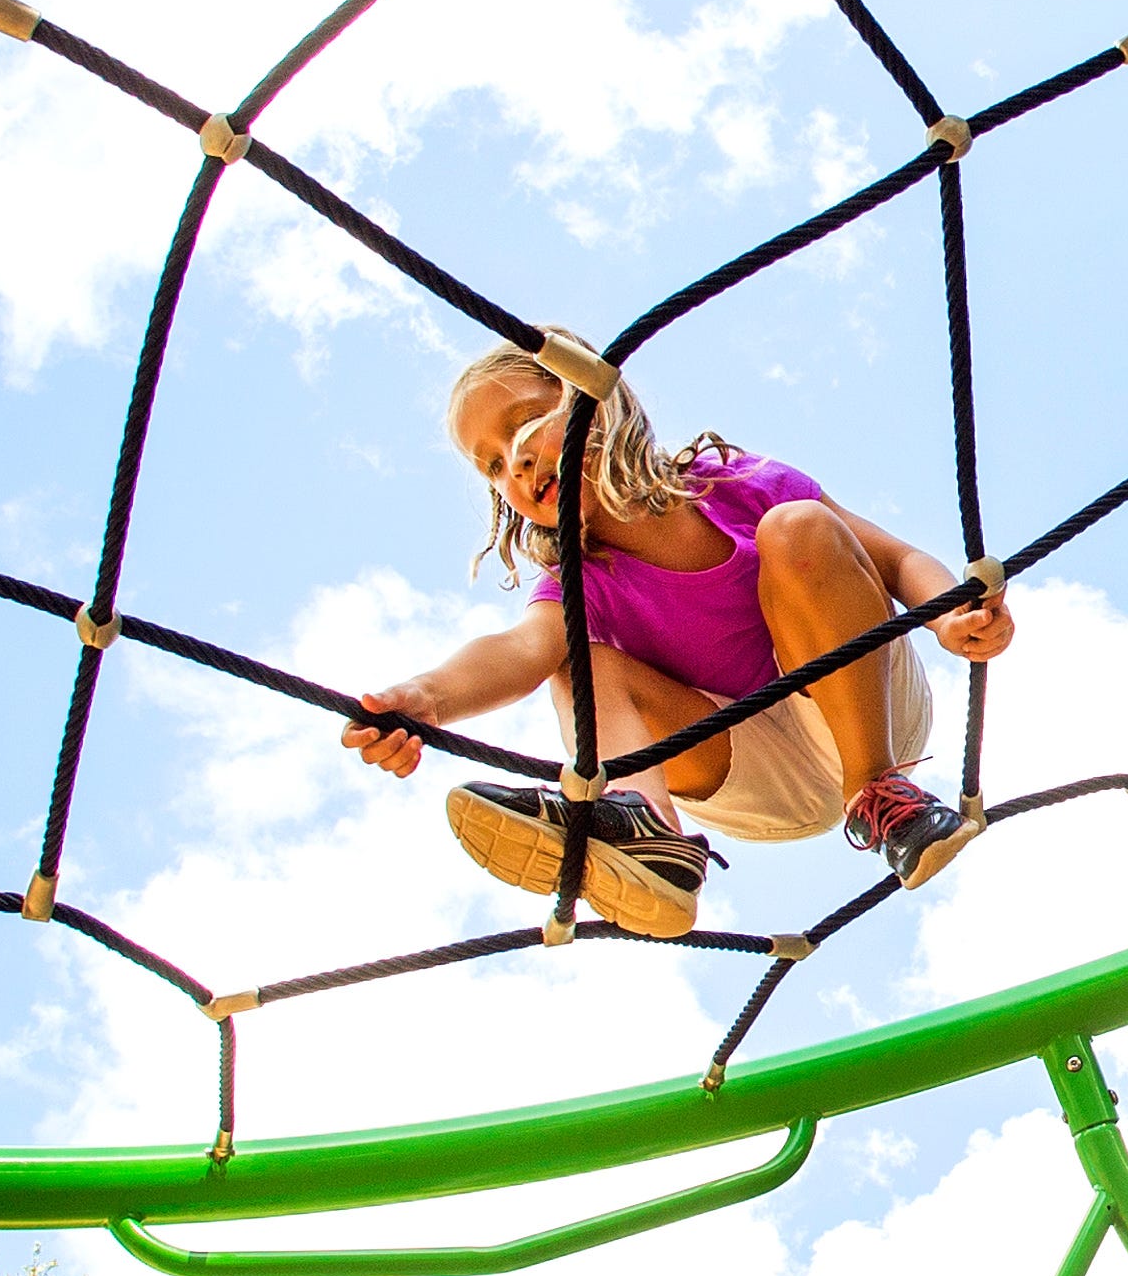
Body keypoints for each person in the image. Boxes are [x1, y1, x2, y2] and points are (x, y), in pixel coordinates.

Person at [344, 340, 1009, 937]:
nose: (513, 461)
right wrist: (427, 697)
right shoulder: (580, 585)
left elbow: (894, 561)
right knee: (578, 664)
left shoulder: (734, 486)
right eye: (491, 465)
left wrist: (948, 612)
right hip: (745, 771)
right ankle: (649, 836)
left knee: (798, 528)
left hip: (867, 711)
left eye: (523, 423)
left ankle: (880, 795)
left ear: (595, 402)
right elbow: (519, 652)